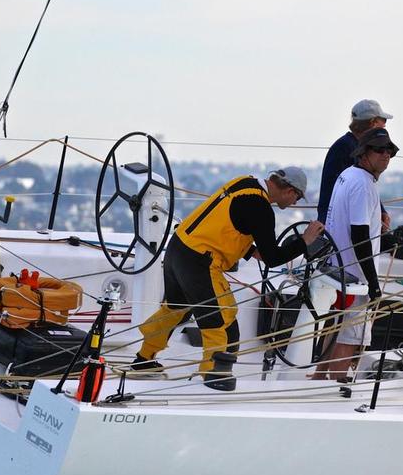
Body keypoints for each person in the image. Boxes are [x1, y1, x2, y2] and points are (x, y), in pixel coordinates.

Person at [130, 167, 324, 390]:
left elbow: (228, 224)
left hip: (179, 249)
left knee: (175, 309)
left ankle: (143, 360)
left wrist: (251, 251)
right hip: (200, 261)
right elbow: (273, 258)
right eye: (297, 197)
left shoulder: (245, 183)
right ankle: (213, 378)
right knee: (221, 320)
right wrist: (305, 241)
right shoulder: (261, 207)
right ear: (289, 190)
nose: (296, 204)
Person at [313, 127, 398, 380]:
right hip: (355, 276)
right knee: (351, 335)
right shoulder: (363, 185)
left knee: (337, 324)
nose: (385, 155)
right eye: (379, 150)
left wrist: (390, 239)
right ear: (364, 153)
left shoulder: (348, 175)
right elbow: (360, 237)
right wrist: (373, 284)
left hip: (338, 267)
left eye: (389, 151)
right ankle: (338, 387)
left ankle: (320, 377)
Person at [318, 99, 393, 231]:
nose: (385, 126)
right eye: (383, 122)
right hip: (339, 226)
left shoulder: (346, 146)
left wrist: (380, 211)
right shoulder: (344, 148)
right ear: (373, 123)